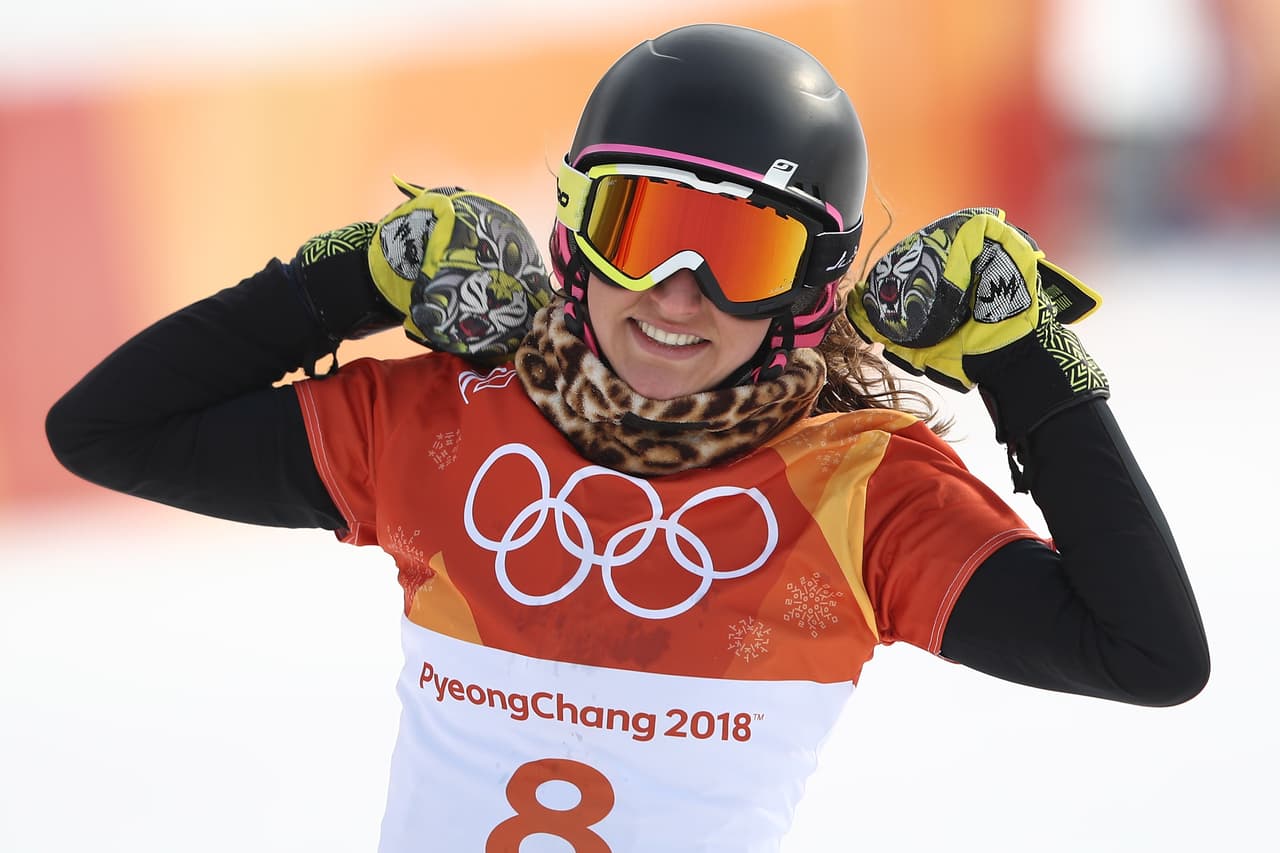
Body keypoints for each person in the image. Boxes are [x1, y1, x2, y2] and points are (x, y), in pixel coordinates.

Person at [45, 23, 1208, 853]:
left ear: (808, 289)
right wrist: (351, 278)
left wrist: (1025, 356)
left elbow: (1147, 654)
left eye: (740, 253)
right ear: (571, 236)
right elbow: (106, 430)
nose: (675, 294)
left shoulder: (858, 493)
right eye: (639, 229)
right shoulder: (448, 419)